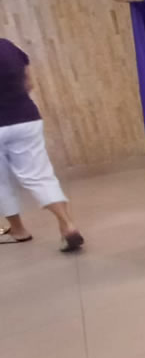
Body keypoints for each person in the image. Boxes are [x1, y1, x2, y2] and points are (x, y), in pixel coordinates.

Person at [0, 39, 84, 252]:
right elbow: (29, 84)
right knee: (40, 176)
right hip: (26, 118)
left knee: (1, 183)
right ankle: (67, 225)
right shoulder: (7, 47)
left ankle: (18, 230)